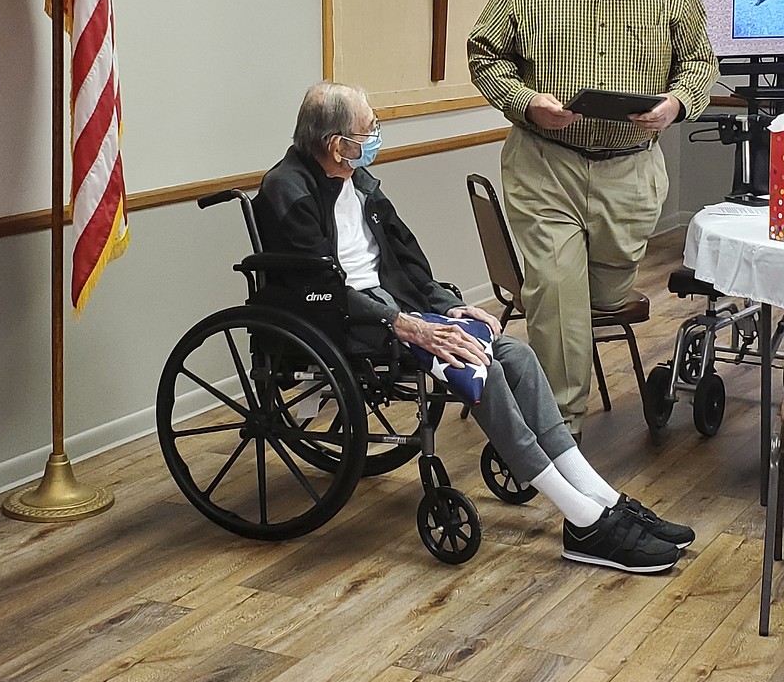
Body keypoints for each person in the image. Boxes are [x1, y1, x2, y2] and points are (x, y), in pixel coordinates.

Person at [254, 81, 696, 574]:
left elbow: (406, 257)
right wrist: (403, 324)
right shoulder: (287, 189)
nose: (376, 135)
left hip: (396, 306)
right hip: (346, 320)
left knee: (516, 355)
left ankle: (599, 497)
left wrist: (449, 305)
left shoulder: (358, 181)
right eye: (369, 128)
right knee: (477, 367)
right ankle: (583, 518)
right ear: (337, 144)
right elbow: (321, 287)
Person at [468, 0, 718, 438]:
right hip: (546, 163)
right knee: (556, 290)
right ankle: (560, 427)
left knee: (599, 297)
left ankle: (550, 387)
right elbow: (485, 55)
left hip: (629, 171)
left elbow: (702, 67)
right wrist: (529, 102)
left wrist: (675, 105)